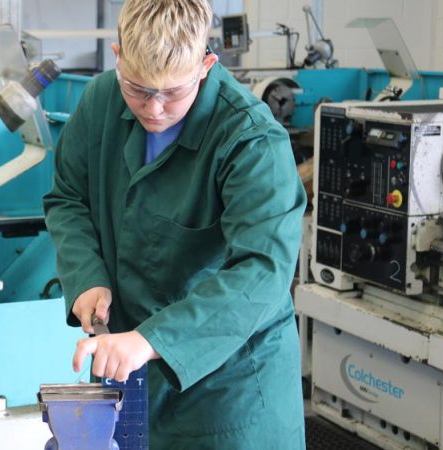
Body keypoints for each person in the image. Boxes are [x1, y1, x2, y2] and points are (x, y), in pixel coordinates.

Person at [43, 0, 307, 448]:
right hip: (128, 364)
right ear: (117, 55)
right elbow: (69, 199)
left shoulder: (251, 140)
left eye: (173, 92)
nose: (155, 109)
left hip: (229, 385)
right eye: (138, 89)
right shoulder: (100, 101)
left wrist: (153, 339)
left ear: (206, 65)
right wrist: (87, 279)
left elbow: (262, 272)